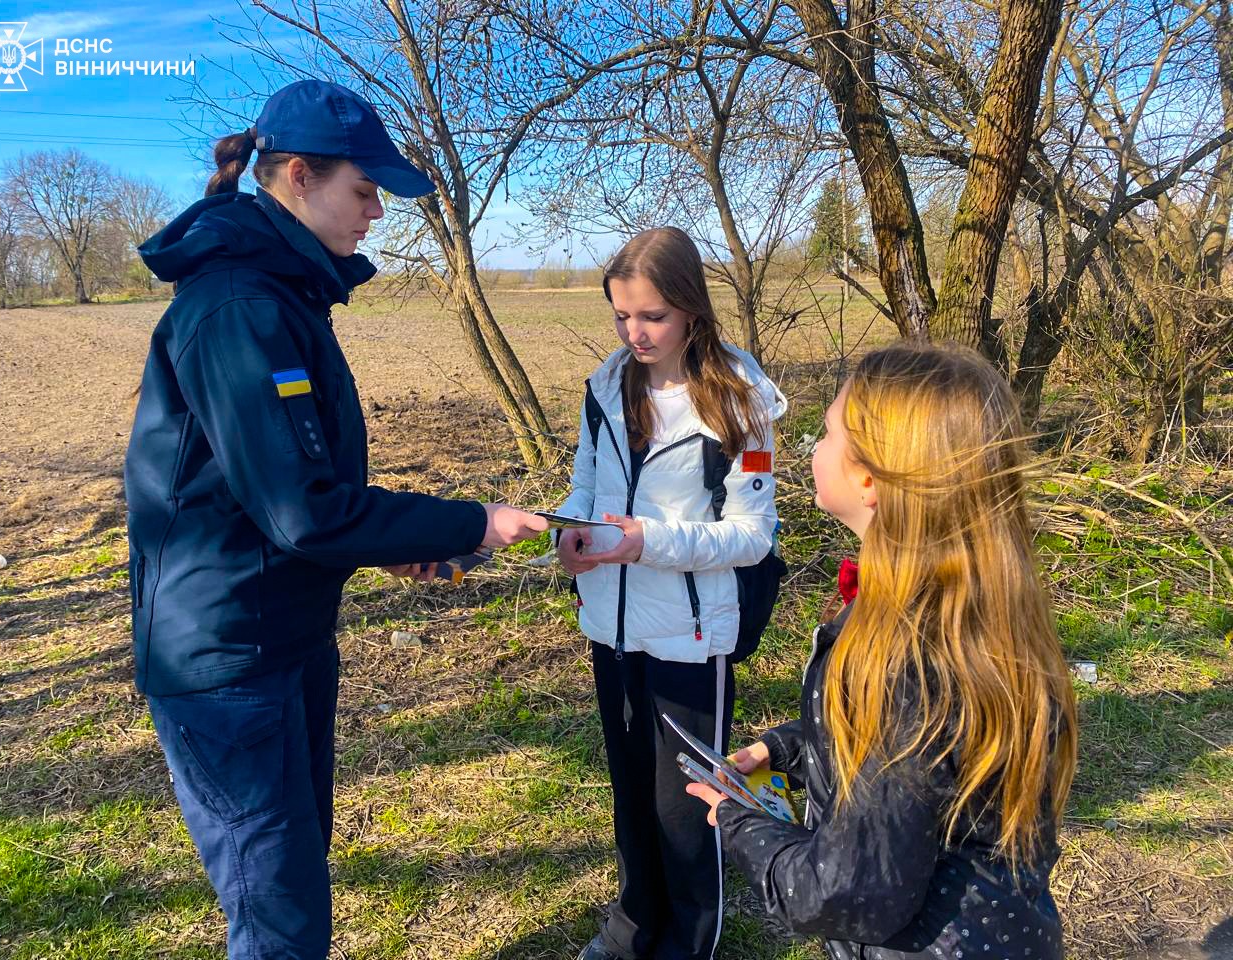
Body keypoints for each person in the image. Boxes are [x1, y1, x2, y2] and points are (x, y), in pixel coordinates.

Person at [124, 79, 547, 959]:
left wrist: (380, 550)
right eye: (365, 192)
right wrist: (471, 522)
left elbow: (285, 497)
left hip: (283, 632)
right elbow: (301, 511)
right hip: (228, 658)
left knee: (292, 877)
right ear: (298, 177)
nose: (376, 215)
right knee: (278, 916)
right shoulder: (241, 308)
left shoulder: (282, 297)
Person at [686, 343, 1079, 960]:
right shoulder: (969, 607)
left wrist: (741, 823)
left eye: (825, 434)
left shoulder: (903, 657)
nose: (813, 449)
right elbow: (919, 754)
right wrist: (786, 747)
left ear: (868, 479)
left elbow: (850, 891)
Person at [554, 227, 787, 960]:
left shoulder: (739, 404)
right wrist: (573, 532)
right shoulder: (606, 384)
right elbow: (586, 485)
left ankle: (688, 943)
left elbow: (752, 536)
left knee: (686, 810)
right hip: (611, 627)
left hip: (693, 636)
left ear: (690, 307)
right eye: (621, 316)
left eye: (651, 315)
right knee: (631, 799)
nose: (635, 333)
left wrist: (646, 541)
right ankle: (631, 930)